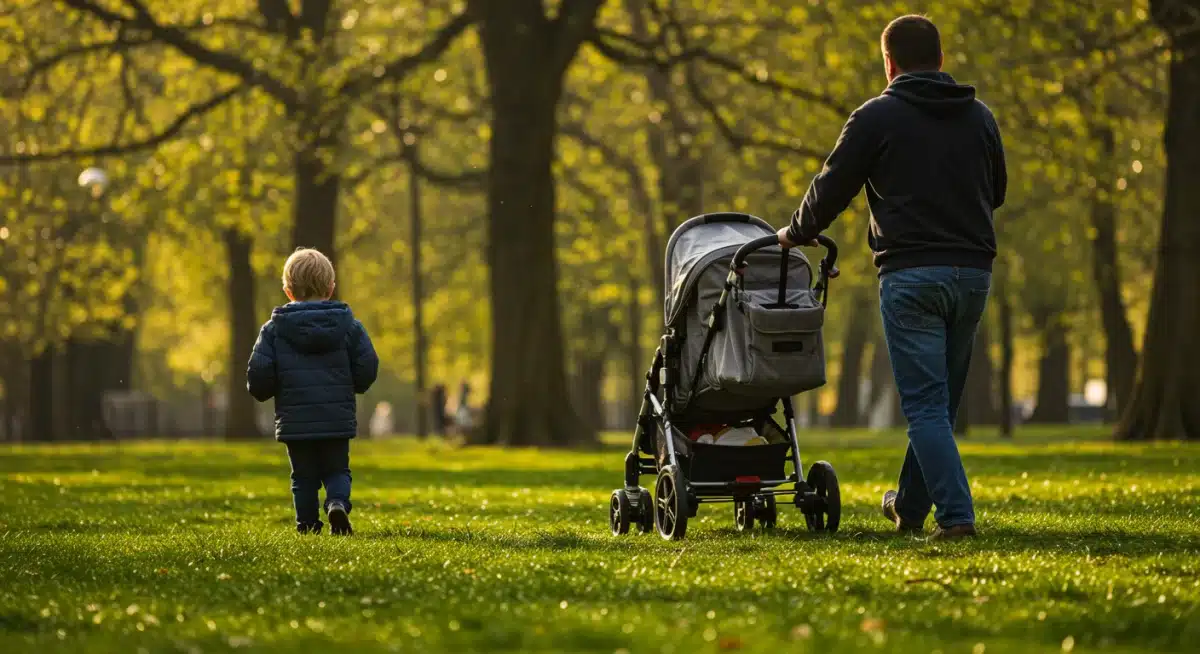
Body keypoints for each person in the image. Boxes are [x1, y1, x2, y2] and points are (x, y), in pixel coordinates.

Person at [778, 15, 1006, 540]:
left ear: (889, 64)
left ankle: (956, 517)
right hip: (972, 273)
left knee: (926, 406)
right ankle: (907, 506)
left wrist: (796, 233)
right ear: (941, 59)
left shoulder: (876, 117)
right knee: (940, 404)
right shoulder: (981, 118)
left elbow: (832, 186)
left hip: (911, 275)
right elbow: (996, 191)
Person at [247, 248, 380, 535]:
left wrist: (265, 389)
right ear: (331, 288)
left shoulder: (274, 330)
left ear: (288, 290)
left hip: (296, 418)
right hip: (336, 415)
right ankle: (337, 503)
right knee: (337, 470)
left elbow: (258, 371)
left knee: (303, 477)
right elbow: (367, 364)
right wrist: (354, 385)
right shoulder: (349, 327)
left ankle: (307, 525)